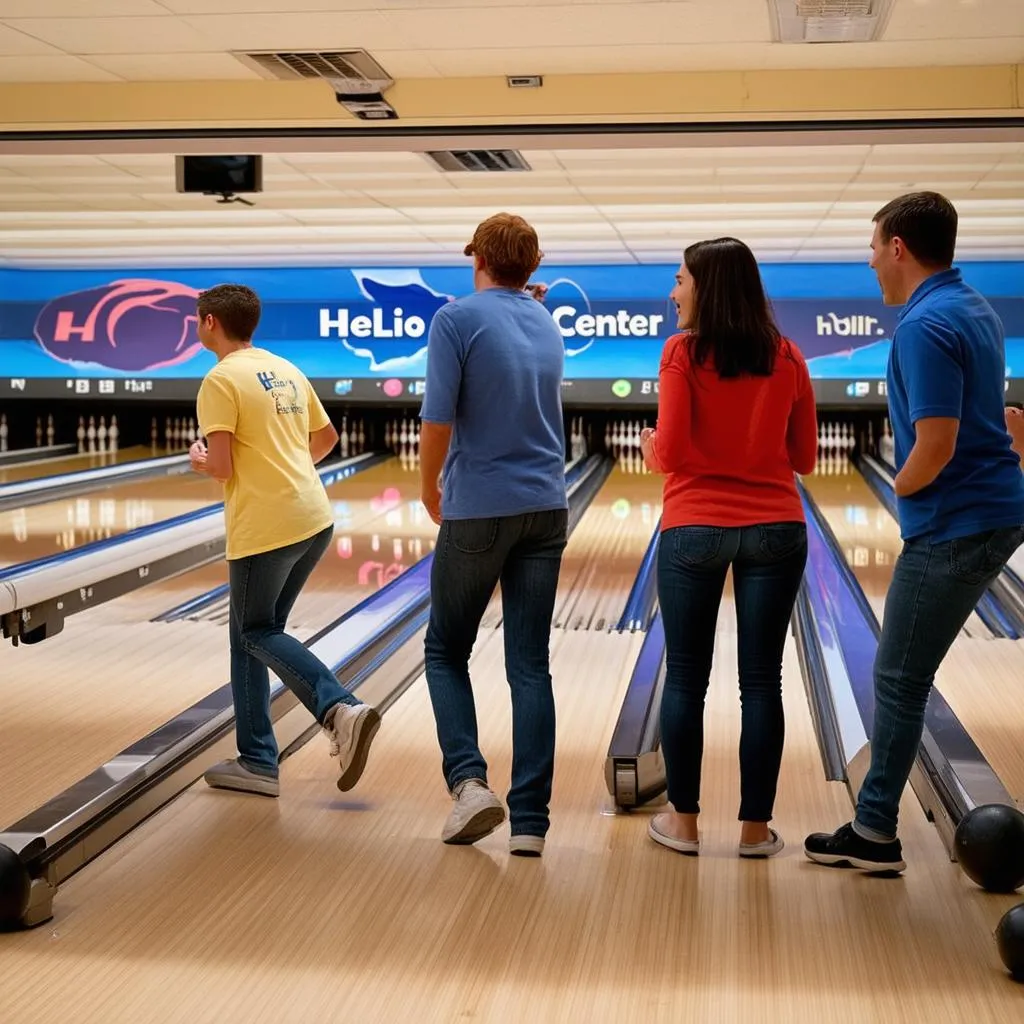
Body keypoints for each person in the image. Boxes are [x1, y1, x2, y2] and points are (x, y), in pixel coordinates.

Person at [805, 192, 1024, 873]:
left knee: (898, 677)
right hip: (992, 510)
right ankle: (873, 825)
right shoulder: (973, 308)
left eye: (873, 246)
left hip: (955, 521)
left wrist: (898, 485)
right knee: (904, 673)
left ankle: (874, 832)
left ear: (898, 247)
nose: (870, 261)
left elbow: (936, 441)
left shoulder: (923, 327)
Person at [640, 237, 818, 859]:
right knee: (761, 682)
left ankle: (684, 824)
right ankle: (753, 831)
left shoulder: (682, 352)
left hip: (693, 526)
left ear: (706, 287)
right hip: (776, 526)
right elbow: (804, 459)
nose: (673, 291)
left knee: (686, 678)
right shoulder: (790, 356)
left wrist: (649, 447)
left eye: (681, 279)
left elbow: (674, 449)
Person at [189, 283, 380, 798]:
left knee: (253, 632)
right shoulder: (286, 369)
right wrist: (287, 472)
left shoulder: (219, 380)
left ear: (210, 323)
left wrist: (203, 461)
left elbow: (223, 465)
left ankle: (338, 708)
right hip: (313, 518)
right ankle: (257, 762)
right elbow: (326, 440)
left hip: (265, 528)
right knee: (254, 632)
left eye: (196, 319)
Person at [419, 213, 568, 856]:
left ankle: (470, 784)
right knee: (529, 665)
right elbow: (515, 309)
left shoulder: (453, 319)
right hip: (547, 506)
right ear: (533, 266)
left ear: (474, 255)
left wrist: (430, 487)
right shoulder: (546, 318)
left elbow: (438, 417)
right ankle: (531, 824)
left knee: (445, 650)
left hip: (480, 505)